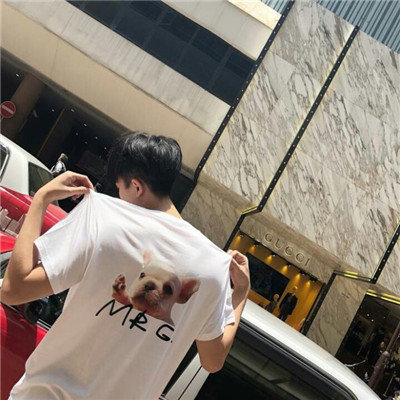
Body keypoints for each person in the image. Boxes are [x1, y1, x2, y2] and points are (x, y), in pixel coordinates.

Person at [2, 132, 250, 400]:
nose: (119, 198)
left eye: (120, 189)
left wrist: (41, 199)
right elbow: (212, 361)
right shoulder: (213, 267)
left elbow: (14, 290)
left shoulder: (103, 216)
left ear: (136, 186)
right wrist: (240, 294)